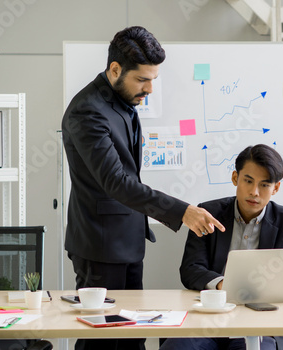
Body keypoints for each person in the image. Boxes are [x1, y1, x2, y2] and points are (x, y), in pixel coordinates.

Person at [61, 26, 224, 350]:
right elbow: (117, 182)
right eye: (142, 80)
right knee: (103, 340)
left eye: (153, 79)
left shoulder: (121, 102)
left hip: (127, 241)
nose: (149, 88)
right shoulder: (88, 111)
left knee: (132, 336)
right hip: (100, 245)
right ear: (115, 69)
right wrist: (182, 212)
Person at [160, 144, 283, 350]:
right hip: (211, 317)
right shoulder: (208, 213)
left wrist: (274, 286)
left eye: (264, 185)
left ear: (276, 188)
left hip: (262, 322)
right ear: (235, 178)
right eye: (248, 181)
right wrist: (222, 285)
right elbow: (191, 268)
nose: (254, 192)